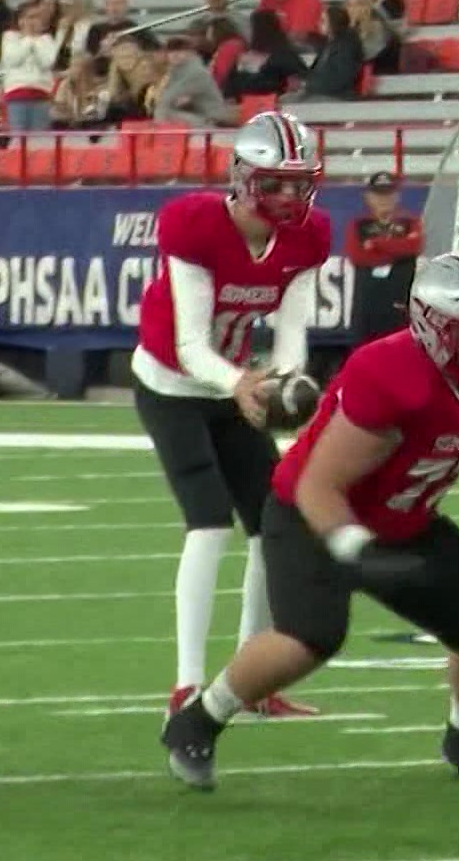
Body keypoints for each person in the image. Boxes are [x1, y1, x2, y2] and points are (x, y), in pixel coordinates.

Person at [160, 252, 459, 788]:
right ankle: (198, 720)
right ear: (428, 324)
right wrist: (358, 554)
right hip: (310, 515)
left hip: (406, 519)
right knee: (310, 636)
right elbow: (318, 485)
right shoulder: (393, 374)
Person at [132, 111, 332, 720]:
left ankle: (251, 678)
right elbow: (192, 344)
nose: (291, 197)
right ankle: (186, 683)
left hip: (235, 386)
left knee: (273, 526)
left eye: (300, 183)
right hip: (170, 384)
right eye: (277, 183)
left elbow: (293, 331)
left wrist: (283, 386)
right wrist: (239, 382)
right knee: (209, 524)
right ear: (243, 179)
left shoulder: (306, 236)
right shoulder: (194, 225)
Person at [345, 171, 426, 345]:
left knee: (400, 351)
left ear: (397, 196)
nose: (384, 200)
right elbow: (358, 256)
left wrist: (376, 244)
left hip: (399, 302)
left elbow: (413, 247)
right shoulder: (359, 224)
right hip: (367, 305)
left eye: (389, 195)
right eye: (379, 195)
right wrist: (395, 251)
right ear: (368, 197)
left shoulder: (409, 222)